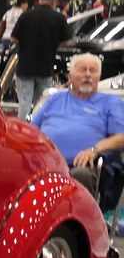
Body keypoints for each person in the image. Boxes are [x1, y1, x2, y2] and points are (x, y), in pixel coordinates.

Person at [31, 53, 124, 206]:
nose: (88, 74)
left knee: (80, 175)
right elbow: (31, 131)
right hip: (44, 162)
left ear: (98, 77)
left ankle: (74, 226)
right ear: (70, 76)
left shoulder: (111, 103)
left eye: (93, 70)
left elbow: (120, 138)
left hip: (83, 166)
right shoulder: (55, 99)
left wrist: (94, 149)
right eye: (82, 70)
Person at [11, 0, 71, 120]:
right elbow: (67, 42)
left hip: (25, 67)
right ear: (53, 2)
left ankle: (23, 133)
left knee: (24, 103)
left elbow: (13, 39)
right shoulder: (59, 18)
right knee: (42, 104)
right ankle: (38, 133)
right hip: (46, 67)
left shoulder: (25, 16)